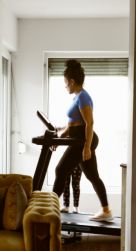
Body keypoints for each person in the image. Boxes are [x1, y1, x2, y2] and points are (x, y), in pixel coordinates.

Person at [53, 59, 113, 222]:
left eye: (66, 83)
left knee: (60, 170)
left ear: (72, 82)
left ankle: (49, 209)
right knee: (93, 175)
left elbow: (89, 123)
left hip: (82, 141)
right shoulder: (77, 97)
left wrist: (86, 147)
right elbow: (71, 125)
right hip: (79, 139)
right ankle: (106, 210)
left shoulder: (83, 97)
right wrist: (59, 138)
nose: (65, 86)